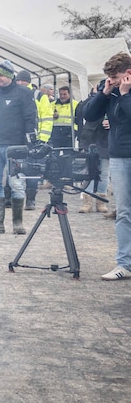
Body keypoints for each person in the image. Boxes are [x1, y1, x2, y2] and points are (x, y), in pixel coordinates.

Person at [82, 52, 131, 279]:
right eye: (109, 77)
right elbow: (89, 114)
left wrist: (124, 95)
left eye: (116, 76)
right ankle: (125, 263)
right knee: (123, 212)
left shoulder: (124, 91)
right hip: (119, 154)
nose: (112, 80)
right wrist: (105, 94)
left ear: (128, 73)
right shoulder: (110, 88)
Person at [0, 61, 37, 235]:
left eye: (1, 75)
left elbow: (30, 118)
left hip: (15, 146)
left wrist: (30, 142)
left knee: (16, 183)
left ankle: (17, 223)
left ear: (10, 75)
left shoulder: (24, 93)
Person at [76, 85, 111, 213]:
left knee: (104, 173)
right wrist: (95, 96)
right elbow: (81, 112)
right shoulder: (90, 101)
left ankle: (101, 201)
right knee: (88, 172)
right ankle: (87, 200)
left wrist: (111, 121)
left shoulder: (113, 100)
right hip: (90, 140)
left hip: (106, 141)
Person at [23, 71, 51, 210]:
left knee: (32, 170)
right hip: (17, 138)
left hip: (35, 139)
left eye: (22, 81)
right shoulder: (14, 93)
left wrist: (43, 139)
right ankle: (10, 198)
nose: (19, 83)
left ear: (27, 82)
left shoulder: (39, 96)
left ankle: (30, 199)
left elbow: (47, 117)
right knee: (13, 169)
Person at [47, 84, 79, 148]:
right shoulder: (52, 104)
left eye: (64, 94)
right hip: (56, 131)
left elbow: (78, 119)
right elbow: (46, 117)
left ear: (70, 94)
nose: (62, 96)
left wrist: (76, 132)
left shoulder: (76, 104)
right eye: (61, 94)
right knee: (54, 152)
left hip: (70, 131)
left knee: (68, 152)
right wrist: (51, 115)